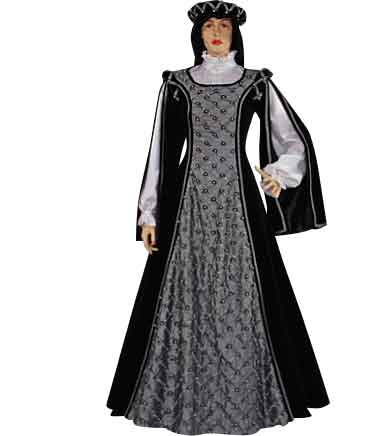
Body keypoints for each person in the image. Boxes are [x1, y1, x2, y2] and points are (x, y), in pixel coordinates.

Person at [106, 1, 329, 434]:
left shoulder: (255, 83)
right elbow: (160, 151)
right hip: (185, 203)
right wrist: (149, 213)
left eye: (223, 25)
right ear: (198, 34)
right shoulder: (176, 84)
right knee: (184, 286)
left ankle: (248, 394)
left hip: (238, 202)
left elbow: (294, 141)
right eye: (209, 25)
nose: (216, 32)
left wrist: (280, 173)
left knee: (244, 285)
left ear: (234, 33)